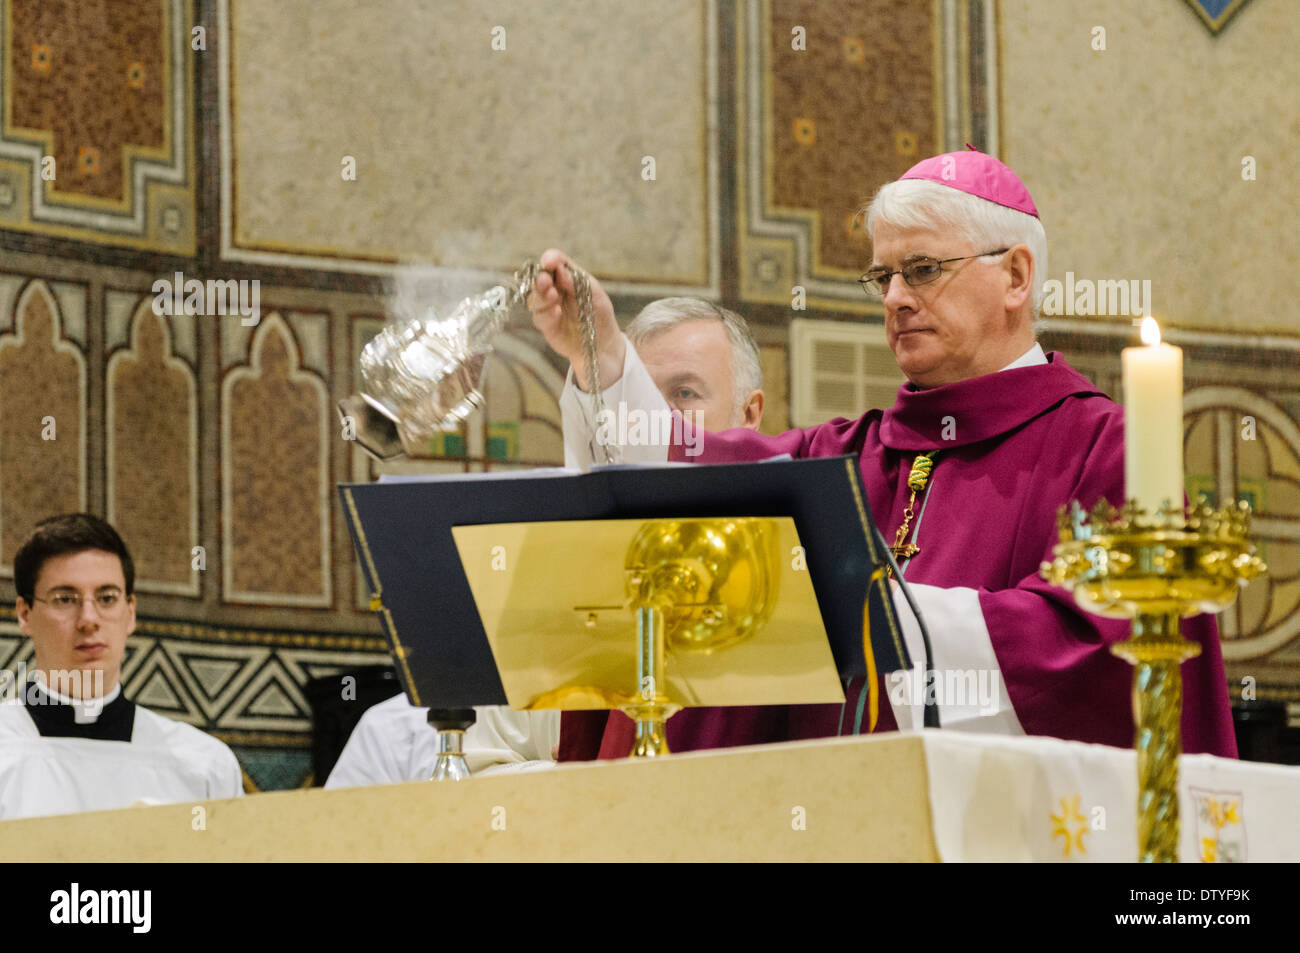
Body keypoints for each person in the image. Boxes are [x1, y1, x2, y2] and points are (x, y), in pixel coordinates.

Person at [530, 148, 1237, 760]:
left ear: (1016, 276)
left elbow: (1102, 653)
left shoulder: (1102, 447)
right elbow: (689, 467)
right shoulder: (845, 453)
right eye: (884, 276)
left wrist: (874, 616)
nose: (895, 298)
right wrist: (604, 364)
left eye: (923, 269)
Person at [326, 296, 769, 787]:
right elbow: (481, 771)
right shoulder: (557, 581)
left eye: (684, 393)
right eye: (638, 396)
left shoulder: (785, 571)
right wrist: (578, 777)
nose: (654, 419)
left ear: (749, 414)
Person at [0, 514, 244, 819]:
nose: (89, 619)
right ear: (25, 614)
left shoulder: (204, 765)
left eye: (106, 598)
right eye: (65, 599)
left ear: (130, 613)